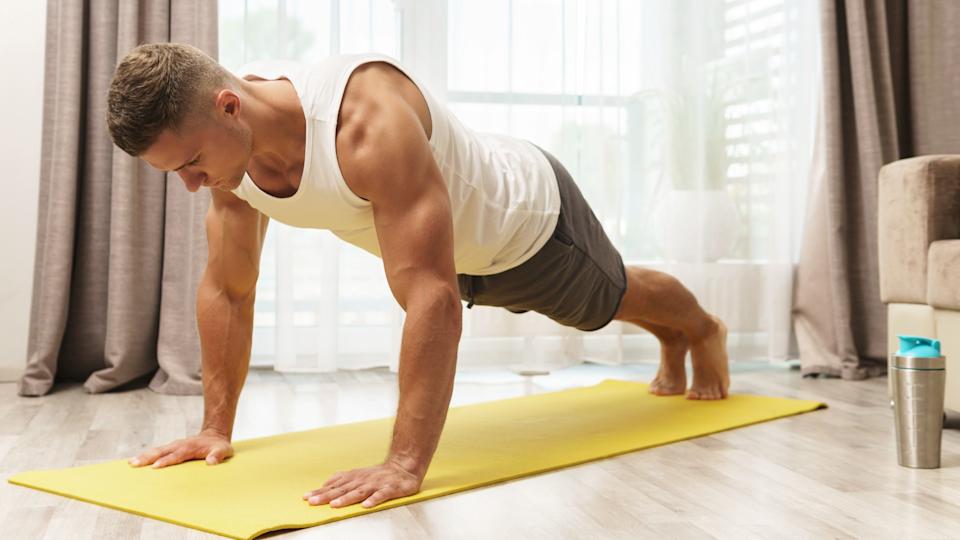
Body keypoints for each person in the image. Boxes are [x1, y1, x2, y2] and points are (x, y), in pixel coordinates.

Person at [107, 43, 729, 510]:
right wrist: (215, 428)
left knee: (608, 298)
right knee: (598, 304)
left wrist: (405, 463)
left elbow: (430, 297)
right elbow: (227, 288)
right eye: (176, 173)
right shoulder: (229, 166)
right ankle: (674, 338)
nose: (190, 183)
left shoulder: (365, 120)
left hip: (527, 225)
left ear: (229, 106)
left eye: (190, 163)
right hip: (453, 257)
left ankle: (700, 330)